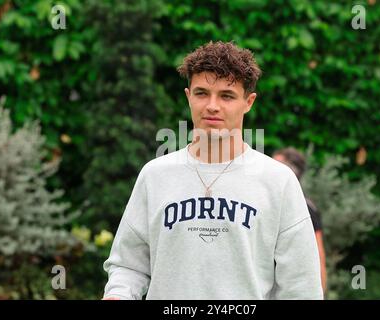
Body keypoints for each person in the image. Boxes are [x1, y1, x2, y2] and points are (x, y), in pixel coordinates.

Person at [102, 41, 323, 300]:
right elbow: (128, 266)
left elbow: (301, 285)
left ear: (248, 102)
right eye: (202, 93)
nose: (212, 106)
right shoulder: (154, 175)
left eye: (226, 96)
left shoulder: (278, 181)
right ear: (188, 96)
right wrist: (118, 294)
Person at [272, 147, 327, 294]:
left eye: (275, 166)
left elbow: (317, 254)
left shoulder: (305, 208)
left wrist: (320, 291)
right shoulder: (267, 203)